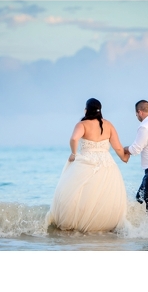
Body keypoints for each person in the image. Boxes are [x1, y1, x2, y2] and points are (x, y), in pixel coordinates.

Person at [46, 98, 129, 232]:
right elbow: (118, 147)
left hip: (86, 161)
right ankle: (104, 225)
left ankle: (78, 226)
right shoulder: (108, 125)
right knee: (104, 195)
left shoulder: (82, 124)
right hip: (106, 163)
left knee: (80, 194)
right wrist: (124, 157)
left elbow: (74, 139)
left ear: (86, 110)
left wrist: (73, 153)